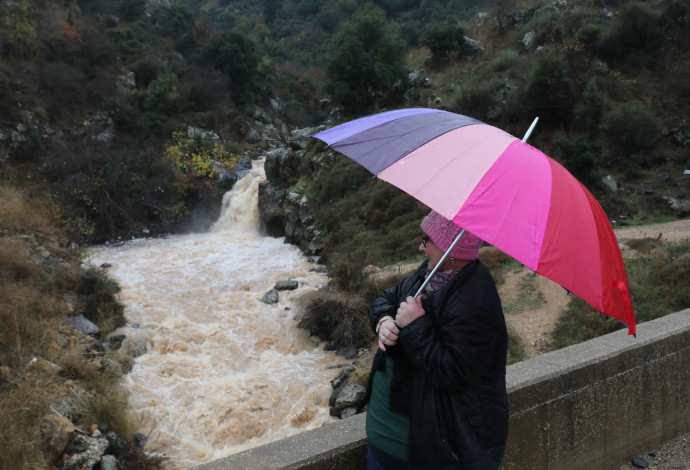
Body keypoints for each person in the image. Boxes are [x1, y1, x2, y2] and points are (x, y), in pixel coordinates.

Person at [362, 210, 509, 470]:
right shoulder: (431, 273)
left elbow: (455, 372)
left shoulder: (475, 303)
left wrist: (415, 325)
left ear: (450, 247)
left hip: (424, 452)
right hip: (387, 440)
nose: (420, 247)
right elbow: (388, 296)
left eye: (425, 239)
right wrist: (383, 321)